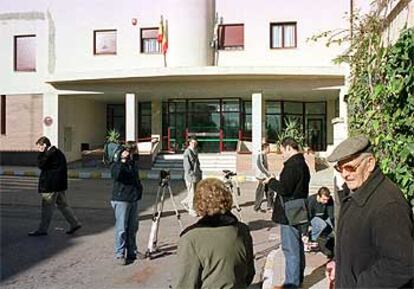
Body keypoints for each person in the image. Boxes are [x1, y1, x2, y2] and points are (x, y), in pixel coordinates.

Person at [325, 135, 413, 289]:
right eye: (340, 168)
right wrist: (339, 265)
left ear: (370, 164)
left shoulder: (388, 205)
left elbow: (402, 263)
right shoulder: (356, 192)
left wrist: (361, 284)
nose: (345, 174)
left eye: (350, 168)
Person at [175, 178, 255, 289]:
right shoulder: (242, 230)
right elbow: (249, 273)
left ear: (198, 203)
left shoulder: (191, 239)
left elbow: (184, 284)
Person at [264, 137, 310, 289]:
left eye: (282, 151)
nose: (282, 155)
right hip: (298, 209)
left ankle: (292, 284)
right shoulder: (302, 164)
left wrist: (271, 181)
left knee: (290, 249)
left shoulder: (292, 166)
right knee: (297, 246)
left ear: (289, 148)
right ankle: (297, 279)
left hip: (288, 212)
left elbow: (285, 189)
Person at [28, 136, 81, 236]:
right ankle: (74, 223)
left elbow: (41, 164)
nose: (38, 149)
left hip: (50, 186)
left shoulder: (48, 154)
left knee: (47, 208)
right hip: (59, 186)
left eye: (39, 147)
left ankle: (42, 229)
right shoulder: (59, 153)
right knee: (63, 205)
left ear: (44, 145)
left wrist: (42, 154)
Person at [110, 144, 143, 265]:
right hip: (121, 199)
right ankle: (120, 253)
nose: (130, 154)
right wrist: (122, 161)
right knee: (122, 228)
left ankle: (132, 251)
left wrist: (139, 191)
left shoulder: (132, 164)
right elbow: (116, 175)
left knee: (133, 227)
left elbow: (136, 179)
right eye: (127, 152)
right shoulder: (117, 165)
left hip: (133, 198)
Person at [306, 186, 334, 256]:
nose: (326, 202)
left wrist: (334, 225)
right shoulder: (311, 200)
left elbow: (331, 214)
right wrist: (305, 232)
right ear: (318, 196)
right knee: (321, 224)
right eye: (324, 199)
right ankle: (312, 239)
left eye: (327, 200)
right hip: (312, 217)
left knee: (332, 226)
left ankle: (322, 238)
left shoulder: (329, 200)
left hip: (324, 216)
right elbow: (308, 215)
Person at [182, 137, 202, 217]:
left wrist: (199, 173)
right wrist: (192, 176)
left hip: (197, 176)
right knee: (192, 194)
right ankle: (191, 210)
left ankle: (186, 202)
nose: (194, 144)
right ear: (189, 143)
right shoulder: (187, 152)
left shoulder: (195, 151)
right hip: (191, 177)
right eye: (193, 143)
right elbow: (187, 167)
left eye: (195, 143)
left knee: (195, 193)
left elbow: (197, 164)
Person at [254, 142, 273, 212]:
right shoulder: (260, 155)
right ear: (265, 148)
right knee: (260, 192)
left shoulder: (264, 155)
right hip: (262, 177)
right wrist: (268, 174)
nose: (270, 149)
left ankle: (270, 206)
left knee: (270, 191)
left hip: (265, 176)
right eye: (269, 148)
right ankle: (257, 207)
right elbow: (261, 166)